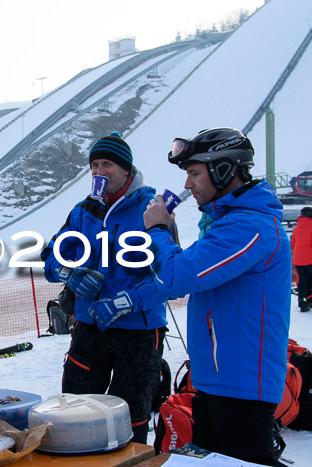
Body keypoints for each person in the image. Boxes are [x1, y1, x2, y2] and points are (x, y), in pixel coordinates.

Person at [143, 127, 291, 465]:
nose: (187, 184)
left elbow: (178, 277)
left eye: (194, 173)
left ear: (224, 170)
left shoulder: (250, 227)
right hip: (219, 382)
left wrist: (158, 231)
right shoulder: (227, 223)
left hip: (241, 390)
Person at [41, 131, 171, 444]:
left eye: (108, 164)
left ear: (127, 170)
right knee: (75, 407)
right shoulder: (83, 211)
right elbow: (49, 258)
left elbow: (168, 276)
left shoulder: (152, 209)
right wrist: (70, 274)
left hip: (139, 332)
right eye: (94, 165)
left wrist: (124, 302)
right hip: (89, 327)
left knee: (131, 413)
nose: (99, 171)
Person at [292, 206, 312, 312]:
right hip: (310, 259)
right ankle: (310, 299)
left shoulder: (296, 229)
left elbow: (293, 244)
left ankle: (303, 302)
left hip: (299, 260)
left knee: (303, 283)